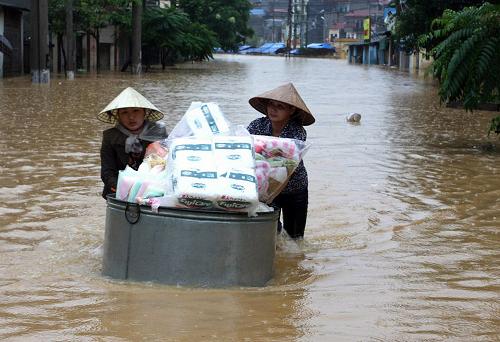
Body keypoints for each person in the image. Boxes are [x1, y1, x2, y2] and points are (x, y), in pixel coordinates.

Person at [247, 82, 315, 239]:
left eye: (280, 106)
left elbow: (287, 166)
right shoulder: (257, 125)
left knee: (295, 237)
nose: (273, 109)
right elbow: (245, 150)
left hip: (294, 188)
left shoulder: (296, 131)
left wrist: (269, 194)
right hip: (267, 189)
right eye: (271, 104)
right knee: (271, 235)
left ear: (291, 110)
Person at [97, 87, 168, 199]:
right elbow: (107, 173)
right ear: (118, 116)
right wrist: (126, 189)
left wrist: (147, 189)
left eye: (136, 111)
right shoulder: (110, 136)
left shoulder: (157, 131)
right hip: (119, 191)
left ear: (144, 112)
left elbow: (166, 164)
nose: (131, 117)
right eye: (124, 112)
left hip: (152, 191)